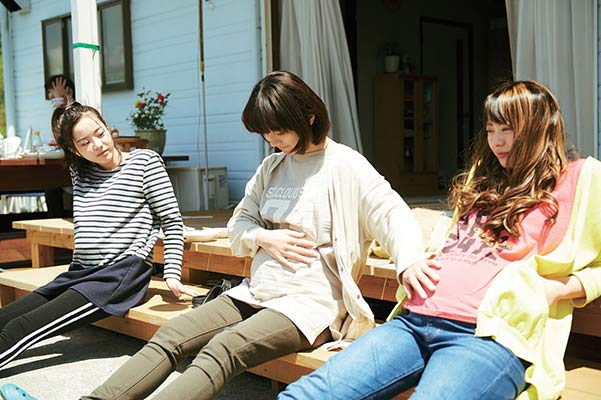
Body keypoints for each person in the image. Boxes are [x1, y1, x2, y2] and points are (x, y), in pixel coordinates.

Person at [82, 70, 424, 400]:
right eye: (265, 133)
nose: (271, 141)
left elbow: (392, 213)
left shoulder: (346, 166)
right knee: (172, 334)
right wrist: (263, 237)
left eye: (278, 131)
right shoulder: (272, 167)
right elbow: (239, 223)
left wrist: (409, 262)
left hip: (309, 305)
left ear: (308, 116)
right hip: (258, 291)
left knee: (224, 349)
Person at [279, 80, 601, 400]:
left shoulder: (580, 177)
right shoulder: (484, 179)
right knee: (302, 396)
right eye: (490, 130)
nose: (496, 142)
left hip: (486, 335)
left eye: (507, 129)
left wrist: (559, 289)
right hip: (414, 321)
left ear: (540, 127)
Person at [0, 102, 198, 371]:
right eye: (85, 142)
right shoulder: (81, 172)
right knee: (6, 316)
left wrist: (172, 273)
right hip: (81, 272)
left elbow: (172, 221)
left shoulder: (145, 162)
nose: (98, 144)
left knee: (21, 327)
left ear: (108, 127)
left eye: (100, 133)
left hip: (118, 275)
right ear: (74, 150)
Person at [44, 74, 77, 217]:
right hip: (63, 170)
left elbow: (62, 124)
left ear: (68, 91)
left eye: (54, 91)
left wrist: (60, 98)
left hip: (76, 170)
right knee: (50, 187)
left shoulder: (76, 110)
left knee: (52, 187)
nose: (51, 96)